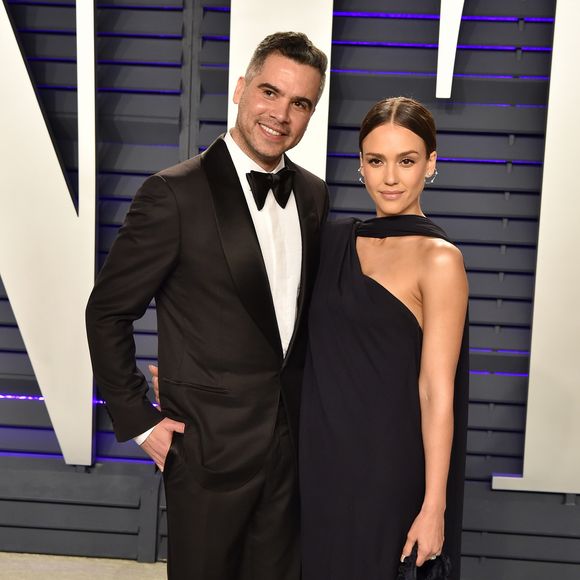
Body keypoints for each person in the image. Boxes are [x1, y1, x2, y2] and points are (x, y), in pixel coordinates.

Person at [85, 32, 329, 580]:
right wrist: (142, 424)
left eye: (300, 103)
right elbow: (106, 314)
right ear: (241, 89)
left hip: (291, 450)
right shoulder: (173, 194)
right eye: (270, 92)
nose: (281, 114)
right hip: (206, 450)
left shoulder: (313, 195)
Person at [299, 97, 469, 580]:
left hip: (386, 471)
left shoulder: (439, 259)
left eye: (406, 161)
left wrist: (434, 506)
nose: (390, 177)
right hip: (316, 461)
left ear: (430, 164)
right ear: (361, 166)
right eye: (377, 161)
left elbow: (437, 391)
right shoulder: (331, 240)